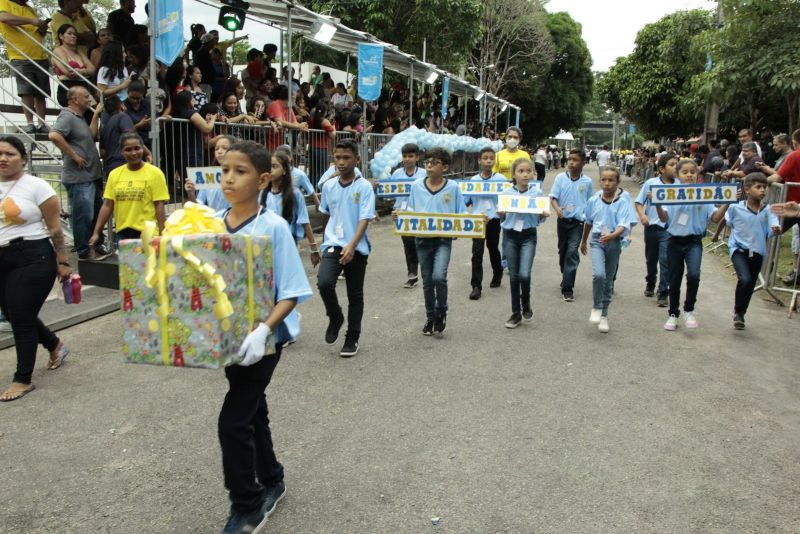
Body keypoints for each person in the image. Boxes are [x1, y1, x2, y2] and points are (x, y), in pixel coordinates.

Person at [213, 140, 312, 534]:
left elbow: (291, 290)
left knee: (232, 421)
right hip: (228, 338)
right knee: (253, 410)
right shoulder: (213, 223)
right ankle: (272, 477)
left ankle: (248, 504)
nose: (229, 178)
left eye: (241, 171)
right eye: (225, 171)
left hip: (264, 339)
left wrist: (264, 330)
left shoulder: (272, 227)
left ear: (263, 179)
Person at [0, 136, 72, 402]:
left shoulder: (37, 186)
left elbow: (55, 228)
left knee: (20, 317)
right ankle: (55, 345)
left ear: (23, 159)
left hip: (32, 255)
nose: (3, 159)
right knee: (15, 313)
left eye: (10, 154)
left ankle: (23, 379)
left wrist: (62, 261)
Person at [655, 159, 728, 331]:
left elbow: (715, 218)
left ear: (698, 174)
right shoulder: (669, 193)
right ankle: (673, 314)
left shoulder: (704, 193)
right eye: (685, 172)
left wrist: (727, 202)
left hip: (694, 242)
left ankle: (689, 309)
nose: (689, 175)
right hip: (674, 241)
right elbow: (664, 218)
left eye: (692, 172)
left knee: (694, 275)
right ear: (678, 175)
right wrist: (657, 204)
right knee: (674, 279)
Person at [317, 140, 374, 357]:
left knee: (355, 294)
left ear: (357, 160)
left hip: (356, 247)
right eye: (337, 157)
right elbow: (325, 214)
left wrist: (352, 246)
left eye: (346, 158)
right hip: (333, 244)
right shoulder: (329, 186)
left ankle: (352, 338)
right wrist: (324, 242)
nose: (341, 162)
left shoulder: (364, 187)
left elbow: (364, 218)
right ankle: (335, 316)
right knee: (324, 283)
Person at [400, 147, 465, 336]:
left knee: (439, 276)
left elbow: (461, 213)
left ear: (445, 167)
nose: (429, 165)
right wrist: (402, 215)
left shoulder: (453, 187)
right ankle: (430, 317)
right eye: (427, 162)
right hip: (422, 239)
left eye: (434, 162)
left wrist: (477, 219)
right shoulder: (416, 186)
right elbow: (411, 210)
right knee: (427, 281)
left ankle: (441, 310)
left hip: (443, 239)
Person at [49, 86, 110, 260]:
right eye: (85, 97)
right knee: (83, 215)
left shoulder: (79, 117)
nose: (89, 100)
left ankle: (96, 244)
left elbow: (91, 135)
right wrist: (74, 156)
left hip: (92, 175)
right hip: (79, 178)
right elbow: (54, 135)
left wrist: (96, 115)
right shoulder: (67, 116)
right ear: (74, 99)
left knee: (95, 213)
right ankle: (84, 251)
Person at [580, 167, 633, 333]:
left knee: (608, 280)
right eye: (604, 180)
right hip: (597, 240)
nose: (607, 183)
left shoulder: (623, 202)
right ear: (600, 181)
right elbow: (588, 221)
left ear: (617, 182)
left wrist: (612, 235)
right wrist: (583, 241)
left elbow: (624, 225)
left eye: (611, 180)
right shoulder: (593, 200)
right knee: (599, 275)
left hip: (614, 242)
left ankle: (604, 315)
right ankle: (596, 307)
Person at [725, 172, 780, 330]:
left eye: (764, 187)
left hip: (758, 252)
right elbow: (726, 220)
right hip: (738, 249)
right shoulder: (736, 207)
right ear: (747, 190)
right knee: (745, 279)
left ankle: (741, 314)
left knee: (749, 285)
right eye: (758, 187)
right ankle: (737, 311)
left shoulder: (768, 210)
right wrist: (716, 234)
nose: (762, 190)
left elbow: (774, 225)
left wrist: (775, 229)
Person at [90, 133, 168, 243]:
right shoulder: (114, 174)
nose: (133, 153)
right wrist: (96, 232)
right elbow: (108, 205)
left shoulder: (155, 173)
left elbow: (159, 205)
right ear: (121, 151)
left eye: (137, 148)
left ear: (142, 149)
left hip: (148, 233)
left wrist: (162, 233)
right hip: (122, 234)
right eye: (128, 149)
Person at [497, 158, 545, 328]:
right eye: (521, 171)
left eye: (528, 171)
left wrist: (542, 214)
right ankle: (516, 313)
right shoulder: (506, 193)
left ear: (533, 173)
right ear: (514, 174)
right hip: (510, 235)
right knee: (514, 275)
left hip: (528, 236)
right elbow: (502, 216)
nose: (525, 174)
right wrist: (501, 213)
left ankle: (526, 302)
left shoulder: (537, 193)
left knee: (524, 274)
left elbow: (539, 217)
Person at [261, 150, 320, 267]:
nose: (270, 170)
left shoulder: (295, 194)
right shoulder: (262, 193)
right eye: (268, 167)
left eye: (274, 166)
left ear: (284, 170)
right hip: (265, 244)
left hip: (287, 243)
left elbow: (305, 222)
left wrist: (314, 249)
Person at [0, 0, 50, 134]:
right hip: (20, 55)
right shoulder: (4, 2)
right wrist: (32, 21)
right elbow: (4, 17)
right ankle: (30, 123)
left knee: (41, 93)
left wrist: (41, 27)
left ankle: (42, 123)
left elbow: (38, 32)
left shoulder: (30, 8)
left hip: (40, 55)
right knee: (26, 91)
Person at [635, 153, 679, 307]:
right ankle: (650, 281)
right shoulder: (651, 183)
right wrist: (642, 216)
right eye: (672, 164)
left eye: (677, 164)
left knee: (666, 260)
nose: (676, 168)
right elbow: (639, 202)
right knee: (651, 259)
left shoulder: (681, 186)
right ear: (661, 169)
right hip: (652, 227)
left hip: (669, 229)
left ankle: (663, 292)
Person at [550, 149, 593, 301]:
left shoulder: (587, 182)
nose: (571, 162)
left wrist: (589, 219)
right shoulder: (560, 178)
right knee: (563, 251)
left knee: (572, 252)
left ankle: (568, 288)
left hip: (577, 223)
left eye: (575, 160)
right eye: (569, 160)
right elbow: (553, 198)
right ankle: (565, 275)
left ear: (583, 163)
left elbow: (590, 203)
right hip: (562, 221)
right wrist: (557, 209)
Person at [465, 147, 504, 300]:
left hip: (494, 220)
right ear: (479, 160)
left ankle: (497, 271)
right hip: (478, 221)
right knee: (477, 253)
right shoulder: (473, 181)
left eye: (491, 158)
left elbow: (506, 201)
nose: (488, 160)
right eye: (485, 158)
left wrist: (502, 211)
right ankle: (476, 286)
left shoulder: (501, 180)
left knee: (492, 247)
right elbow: (466, 201)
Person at [390, 143, 427, 288]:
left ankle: (425, 271)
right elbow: (389, 192)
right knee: (408, 244)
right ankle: (412, 274)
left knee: (421, 243)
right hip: (401, 214)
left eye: (410, 156)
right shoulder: (397, 173)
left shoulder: (424, 173)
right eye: (404, 156)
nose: (407, 159)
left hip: (419, 213)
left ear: (417, 157)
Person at [185, 135, 234, 211]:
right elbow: (198, 206)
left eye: (225, 148)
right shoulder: (208, 176)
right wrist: (191, 194)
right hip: (214, 221)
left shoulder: (240, 177)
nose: (219, 152)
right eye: (216, 149)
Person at [52, 24, 95, 110]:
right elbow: (68, 71)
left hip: (83, 86)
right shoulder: (58, 50)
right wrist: (85, 71)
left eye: (75, 34)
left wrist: (80, 71)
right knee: (75, 115)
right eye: (69, 33)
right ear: (61, 36)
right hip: (68, 87)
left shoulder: (79, 51)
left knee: (91, 113)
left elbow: (93, 69)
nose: (73, 36)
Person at [767, 129, 800, 232]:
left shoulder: (794, 155)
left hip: (790, 204)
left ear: (795, 143)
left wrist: (760, 181)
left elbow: (777, 177)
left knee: (768, 232)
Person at [267, 85, 308, 150]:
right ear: (290, 97)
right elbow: (280, 121)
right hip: (270, 142)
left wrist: (302, 125)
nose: (296, 100)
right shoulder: (275, 104)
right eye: (295, 98)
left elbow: (295, 122)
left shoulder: (289, 108)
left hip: (282, 142)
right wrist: (299, 126)